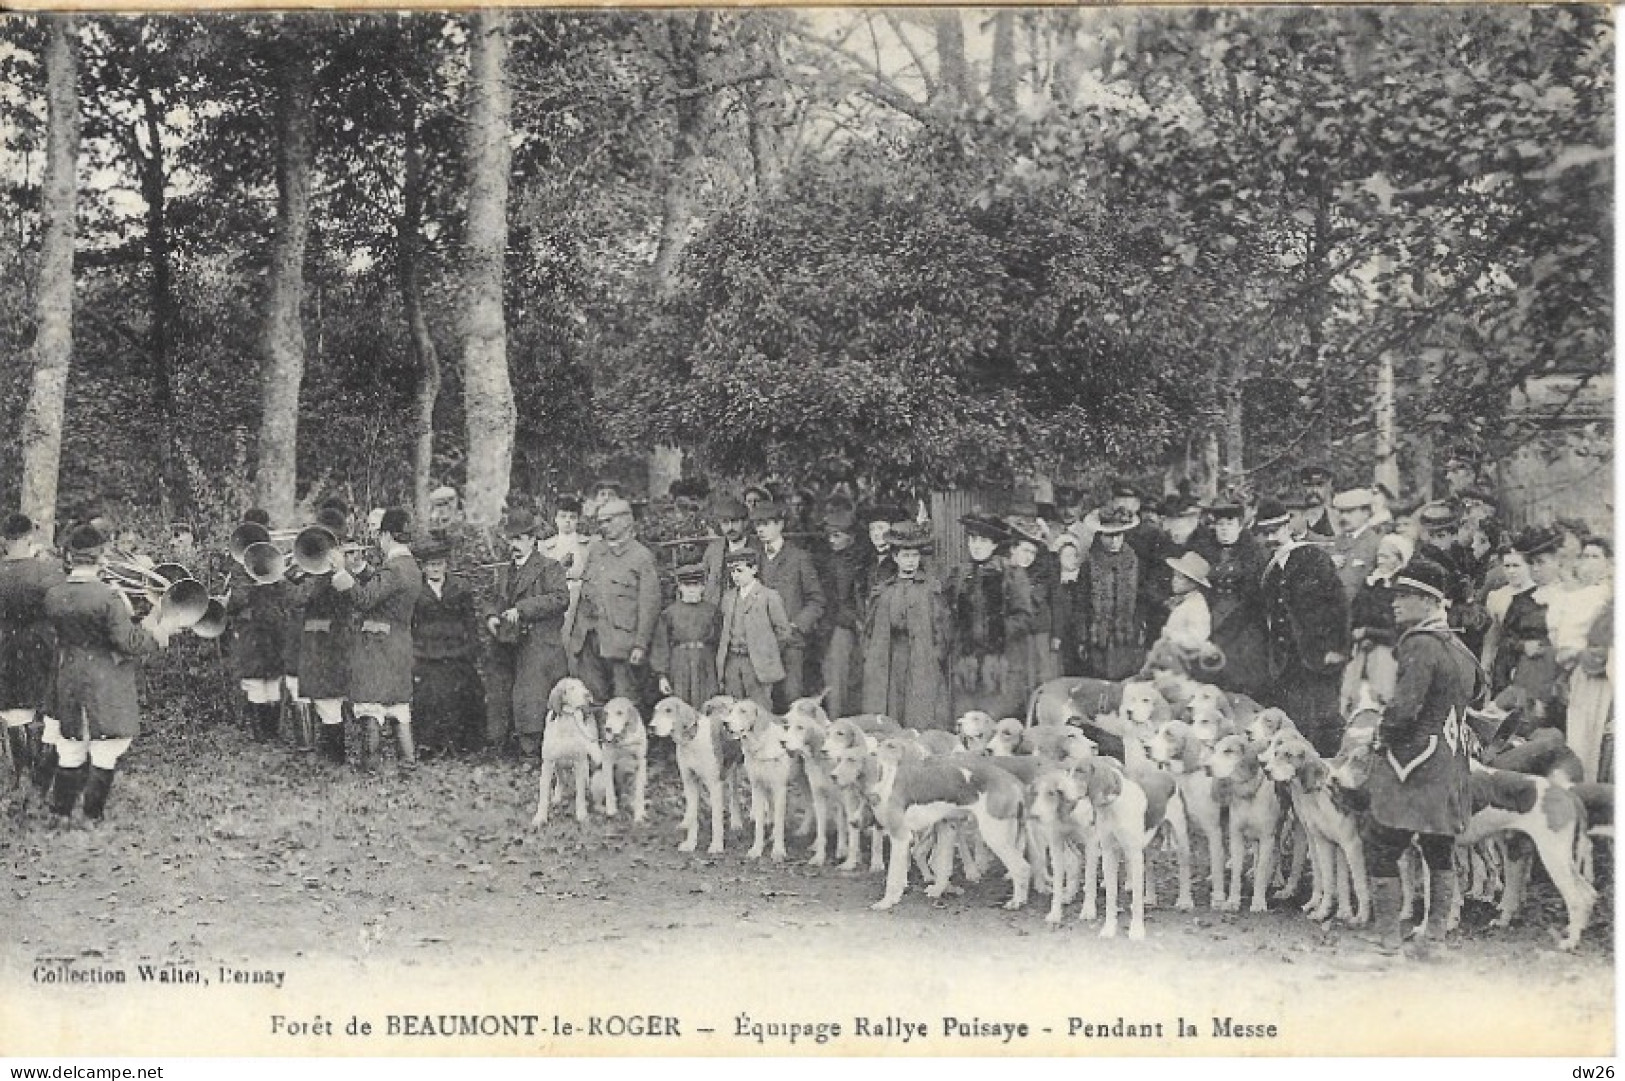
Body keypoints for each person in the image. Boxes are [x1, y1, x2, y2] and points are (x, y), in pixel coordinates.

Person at [1362, 557, 1483, 956]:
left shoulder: (1419, 644)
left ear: (1430, 602)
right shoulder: (1460, 647)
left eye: (1406, 596)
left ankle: (1387, 938)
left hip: (1414, 762)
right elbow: (1480, 695)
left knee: (1381, 841)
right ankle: (1434, 939)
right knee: (1438, 846)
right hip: (1449, 760)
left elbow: (1404, 709)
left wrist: (1381, 734)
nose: (1396, 603)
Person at [41, 524, 171, 823]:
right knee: (105, 749)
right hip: (104, 679)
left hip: (68, 675)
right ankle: (91, 815)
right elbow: (129, 642)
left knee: (70, 747)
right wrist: (159, 629)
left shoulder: (54, 594)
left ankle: (60, 813)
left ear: (71, 558)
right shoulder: (107, 597)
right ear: (100, 558)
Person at [1256, 497, 1350, 756]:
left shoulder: (1313, 558)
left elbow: (1338, 606)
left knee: (1324, 721)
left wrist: (1337, 647)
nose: (1270, 538)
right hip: (1287, 661)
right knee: (1295, 723)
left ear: (1287, 527)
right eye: (1264, 533)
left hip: (1319, 654)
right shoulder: (1270, 570)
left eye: (1274, 531)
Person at [332, 507, 423, 772]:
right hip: (399, 642)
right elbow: (383, 589)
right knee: (398, 704)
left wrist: (340, 572)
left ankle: (370, 766)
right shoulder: (411, 566)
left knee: (370, 703)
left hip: (378, 645)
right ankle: (408, 764)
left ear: (386, 535)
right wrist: (359, 568)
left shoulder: (394, 568)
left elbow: (365, 599)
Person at [484, 509, 570, 757]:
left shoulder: (549, 567)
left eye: (520, 539)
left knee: (532, 694)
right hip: (508, 642)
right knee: (501, 689)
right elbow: (492, 599)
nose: (515, 545)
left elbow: (560, 598)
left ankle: (533, 749)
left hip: (539, 643)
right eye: (511, 539)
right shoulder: (504, 571)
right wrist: (491, 616)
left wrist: (522, 609)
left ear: (533, 539)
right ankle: (503, 744)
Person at [565, 498, 661, 704]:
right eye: (600, 521)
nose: (602, 526)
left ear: (626, 521)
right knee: (592, 702)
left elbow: (649, 607)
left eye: (608, 521)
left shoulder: (641, 557)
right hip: (589, 641)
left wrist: (640, 645)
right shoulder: (595, 551)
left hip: (622, 645)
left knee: (624, 705)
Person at [860, 522, 950, 729]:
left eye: (915, 556)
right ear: (895, 558)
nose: (911, 562)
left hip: (921, 658)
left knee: (918, 708)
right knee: (891, 704)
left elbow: (942, 628)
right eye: (905, 556)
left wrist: (935, 655)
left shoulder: (930, 589)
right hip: (891, 657)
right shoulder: (884, 591)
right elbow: (869, 630)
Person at [0, 514, 64, 793]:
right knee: (47, 705)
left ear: (5, 541)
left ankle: (21, 774)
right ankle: (42, 773)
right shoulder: (46, 571)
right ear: (29, 539)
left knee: (14, 708)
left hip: (4, 647)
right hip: (41, 646)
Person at [410, 535, 485, 757]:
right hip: (427, 654)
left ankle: (460, 746)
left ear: (446, 565)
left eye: (439, 564)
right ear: (423, 568)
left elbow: (470, 621)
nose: (435, 569)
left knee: (460, 697)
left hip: (457, 652)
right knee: (430, 700)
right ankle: (431, 746)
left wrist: (472, 648)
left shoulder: (460, 587)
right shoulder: (416, 591)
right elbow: (410, 624)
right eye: (430, 565)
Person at [226, 516, 299, 745]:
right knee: (255, 680)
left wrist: (279, 576)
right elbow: (235, 602)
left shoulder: (273, 560)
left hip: (272, 629)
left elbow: (288, 597)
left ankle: (271, 731)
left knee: (273, 679)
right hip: (253, 631)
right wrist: (251, 585)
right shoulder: (238, 570)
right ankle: (262, 734)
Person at [1188, 498, 1270, 698]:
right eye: (1220, 524)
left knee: (1240, 674)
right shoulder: (1205, 549)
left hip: (1243, 623)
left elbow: (1254, 597)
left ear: (1240, 526)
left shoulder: (1254, 553)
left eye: (1230, 524)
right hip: (1210, 616)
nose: (1224, 530)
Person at [296, 507, 358, 766]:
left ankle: (336, 757)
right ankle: (329, 754)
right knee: (322, 700)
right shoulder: (315, 574)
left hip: (330, 643)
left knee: (329, 700)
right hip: (319, 643)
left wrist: (334, 571)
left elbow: (310, 599)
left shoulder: (342, 574)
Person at [752, 501, 825, 708]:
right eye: (757, 524)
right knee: (763, 701)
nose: (760, 529)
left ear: (780, 525)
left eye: (766, 523)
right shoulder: (754, 558)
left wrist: (796, 625)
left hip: (792, 642)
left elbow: (817, 600)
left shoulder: (799, 558)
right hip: (761, 643)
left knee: (792, 697)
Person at [1481, 527, 1559, 705]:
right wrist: (1522, 646)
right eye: (1506, 566)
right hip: (1519, 667)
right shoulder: (1518, 601)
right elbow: (1503, 636)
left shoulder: (1562, 595)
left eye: (1516, 566)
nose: (1511, 571)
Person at [947, 514, 1014, 717]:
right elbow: (948, 612)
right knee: (965, 714)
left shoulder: (1008, 574)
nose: (976, 546)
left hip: (997, 659)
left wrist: (999, 632)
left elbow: (1023, 616)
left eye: (983, 541)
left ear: (994, 545)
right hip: (965, 658)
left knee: (991, 714)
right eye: (972, 540)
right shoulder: (959, 574)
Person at [1342, 532, 1412, 715]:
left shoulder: (1401, 587)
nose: (1380, 560)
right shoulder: (1371, 581)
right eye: (1379, 555)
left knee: (1383, 696)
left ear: (1399, 559)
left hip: (1387, 652)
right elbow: (1356, 611)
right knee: (1352, 696)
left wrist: (1368, 632)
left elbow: (1397, 627)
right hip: (1361, 650)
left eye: (1386, 556)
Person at [715, 549, 792, 710]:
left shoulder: (768, 596)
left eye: (740, 570)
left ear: (754, 570)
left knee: (759, 708)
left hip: (757, 664)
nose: (735, 575)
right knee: (733, 707)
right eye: (732, 571)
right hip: (732, 662)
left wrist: (766, 652)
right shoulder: (728, 598)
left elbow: (783, 632)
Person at [1077, 506, 1146, 680]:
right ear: (1100, 536)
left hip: (1125, 635)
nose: (1114, 541)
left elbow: (1141, 599)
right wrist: (1082, 637)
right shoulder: (1090, 563)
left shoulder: (1133, 561)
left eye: (1119, 536)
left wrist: (1139, 628)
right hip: (1099, 636)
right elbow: (1081, 602)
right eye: (1109, 536)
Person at [814, 507, 865, 717]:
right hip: (837, 626)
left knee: (847, 677)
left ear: (851, 537)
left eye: (837, 536)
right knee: (835, 675)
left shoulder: (858, 562)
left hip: (851, 627)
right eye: (829, 536)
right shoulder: (831, 562)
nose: (832, 541)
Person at [652, 563, 720, 707]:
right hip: (680, 664)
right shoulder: (669, 613)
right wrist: (662, 676)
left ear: (703, 587)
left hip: (705, 663)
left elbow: (719, 642)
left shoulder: (712, 611)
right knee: (680, 706)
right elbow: (661, 646)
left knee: (707, 704)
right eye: (687, 585)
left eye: (696, 585)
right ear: (680, 587)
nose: (691, 590)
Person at [701, 496, 758, 607]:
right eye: (725, 522)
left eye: (735, 522)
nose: (730, 527)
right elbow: (706, 581)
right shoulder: (713, 550)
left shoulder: (758, 549)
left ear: (745, 522)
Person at [1329, 487, 1383, 602]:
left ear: (1366, 512)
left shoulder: (1376, 543)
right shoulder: (1335, 543)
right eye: (1341, 512)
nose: (1343, 517)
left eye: (1349, 512)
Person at [1050, 535, 1086, 677]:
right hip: (1061, 634)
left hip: (1078, 634)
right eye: (1067, 556)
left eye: (1074, 555)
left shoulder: (1082, 580)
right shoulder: (1054, 582)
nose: (1071, 559)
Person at [1299, 465, 1338, 538]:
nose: (1314, 490)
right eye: (1308, 485)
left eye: (1319, 485)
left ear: (1331, 485)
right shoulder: (1296, 519)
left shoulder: (1340, 519)